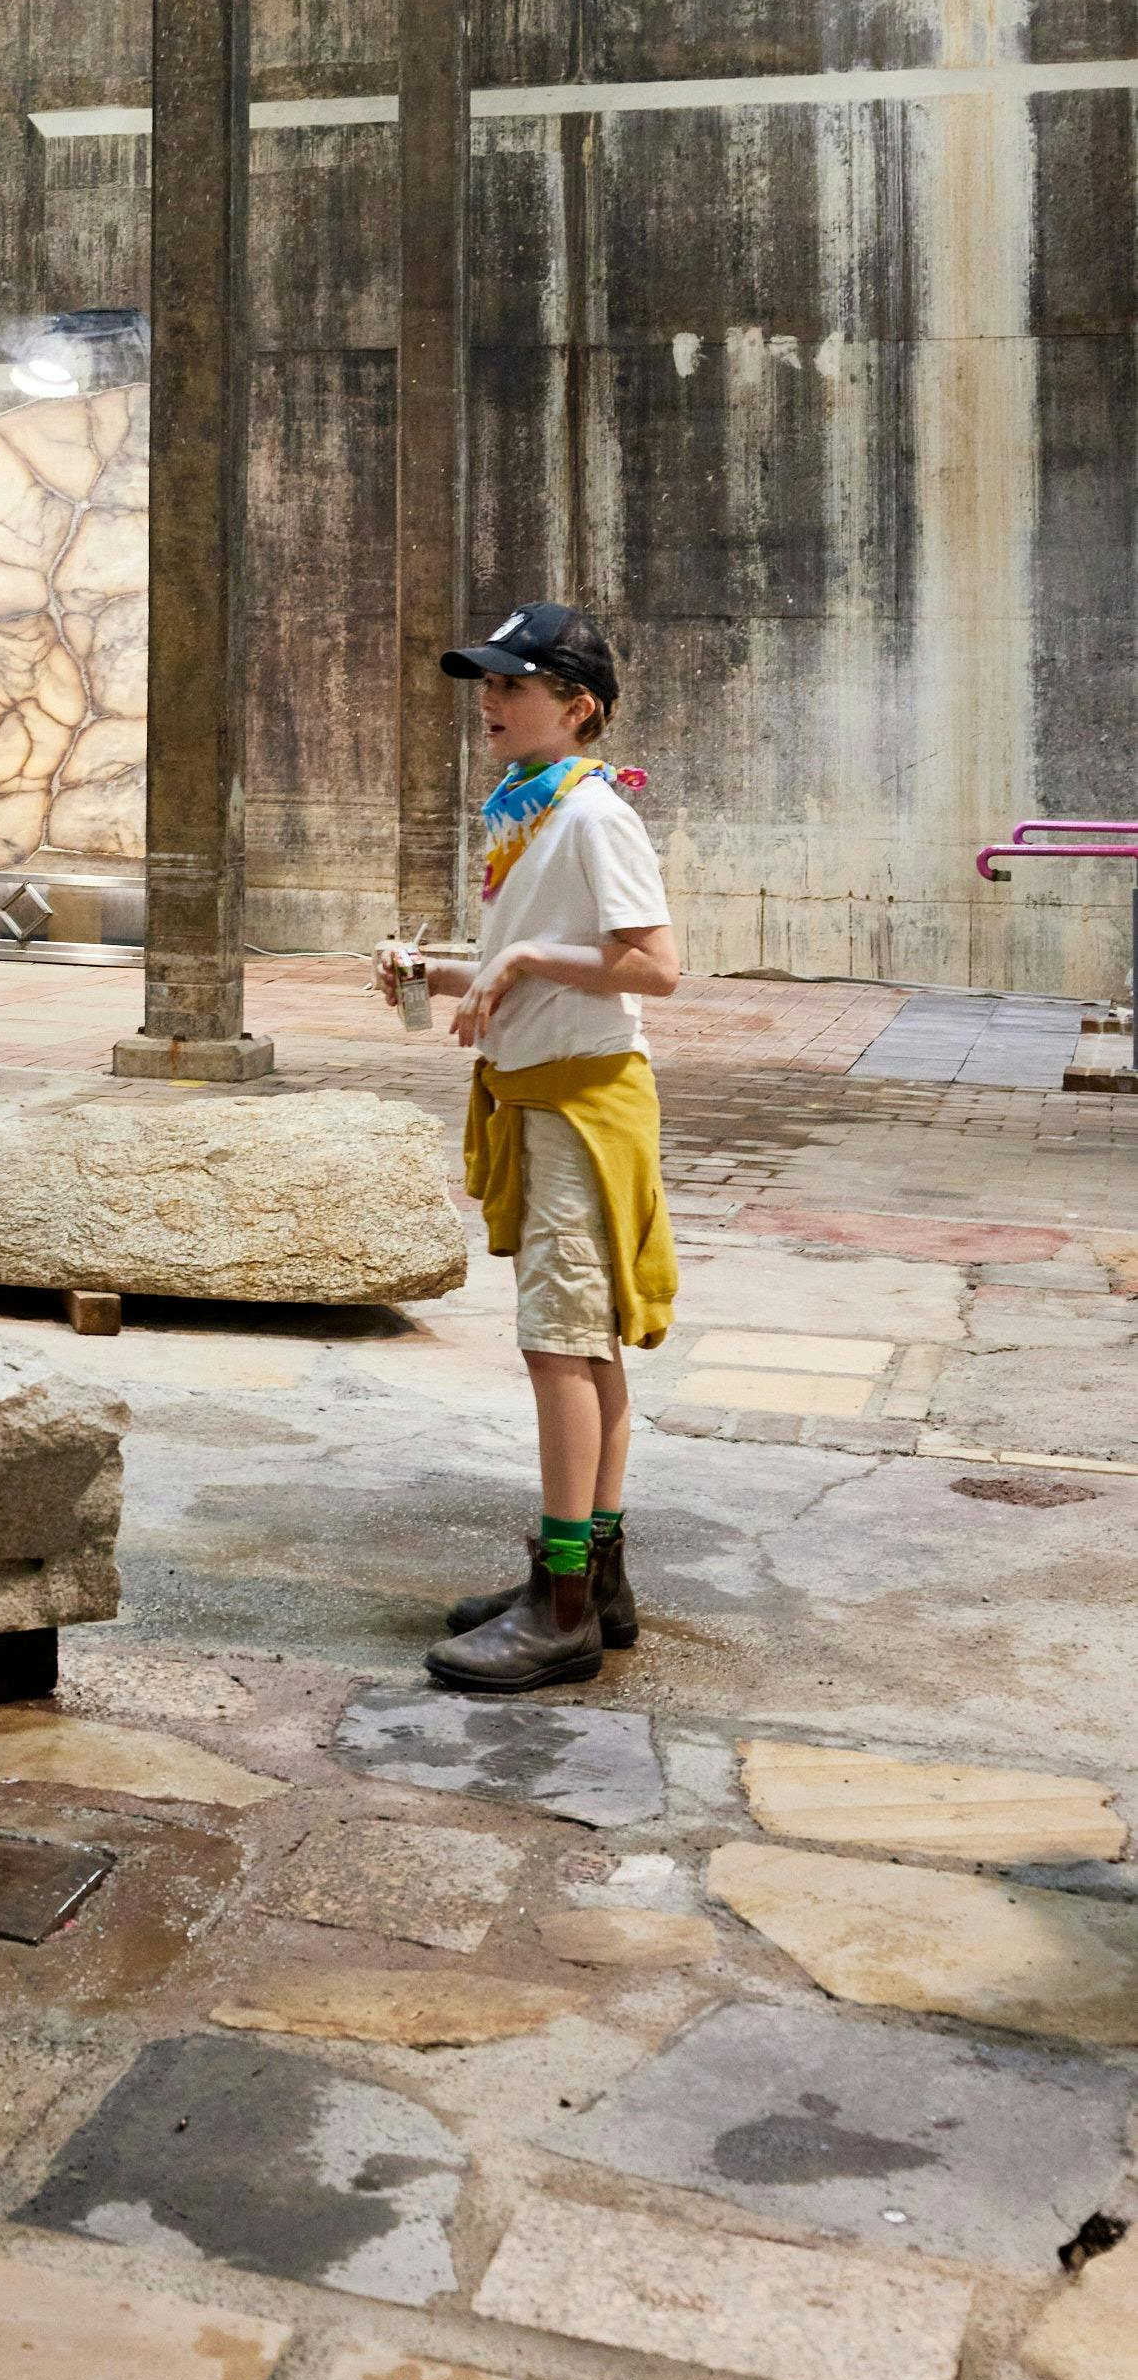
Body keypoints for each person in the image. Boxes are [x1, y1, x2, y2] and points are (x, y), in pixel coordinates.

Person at [376, 603, 679, 1694]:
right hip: (545, 1093)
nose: (488, 704)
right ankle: (594, 1578)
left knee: (558, 1346)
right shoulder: (531, 813)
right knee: (581, 1342)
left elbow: (652, 967)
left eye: (511, 685)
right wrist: (447, 973)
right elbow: (540, 963)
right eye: (487, 685)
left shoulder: (594, 817)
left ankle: (559, 1609)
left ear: (576, 705)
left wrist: (521, 963)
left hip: (582, 1108)